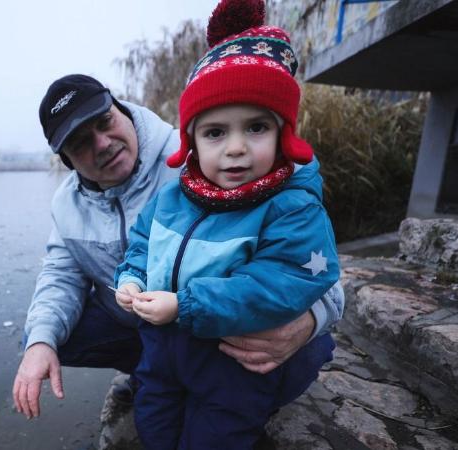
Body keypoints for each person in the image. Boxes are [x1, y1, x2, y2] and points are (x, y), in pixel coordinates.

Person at [12, 71, 344, 419]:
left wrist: (311, 318)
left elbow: (312, 265)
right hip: (145, 328)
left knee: (308, 344)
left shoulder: (203, 154)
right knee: (48, 335)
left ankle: (242, 402)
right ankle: (152, 374)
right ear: (67, 161)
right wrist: (40, 341)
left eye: (104, 121)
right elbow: (59, 277)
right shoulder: (67, 206)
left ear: (121, 109)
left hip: (223, 321)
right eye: (80, 142)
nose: (102, 143)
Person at [112, 0, 339, 447]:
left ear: (282, 133)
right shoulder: (171, 199)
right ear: (191, 142)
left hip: (230, 359)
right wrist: (132, 278)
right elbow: (142, 245)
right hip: (163, 354)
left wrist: (185, 306)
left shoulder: (290, 206)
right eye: (215, 132)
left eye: (255, 128)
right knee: (154, 421)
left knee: (219, 432)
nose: (235, 148)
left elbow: (285, 279)